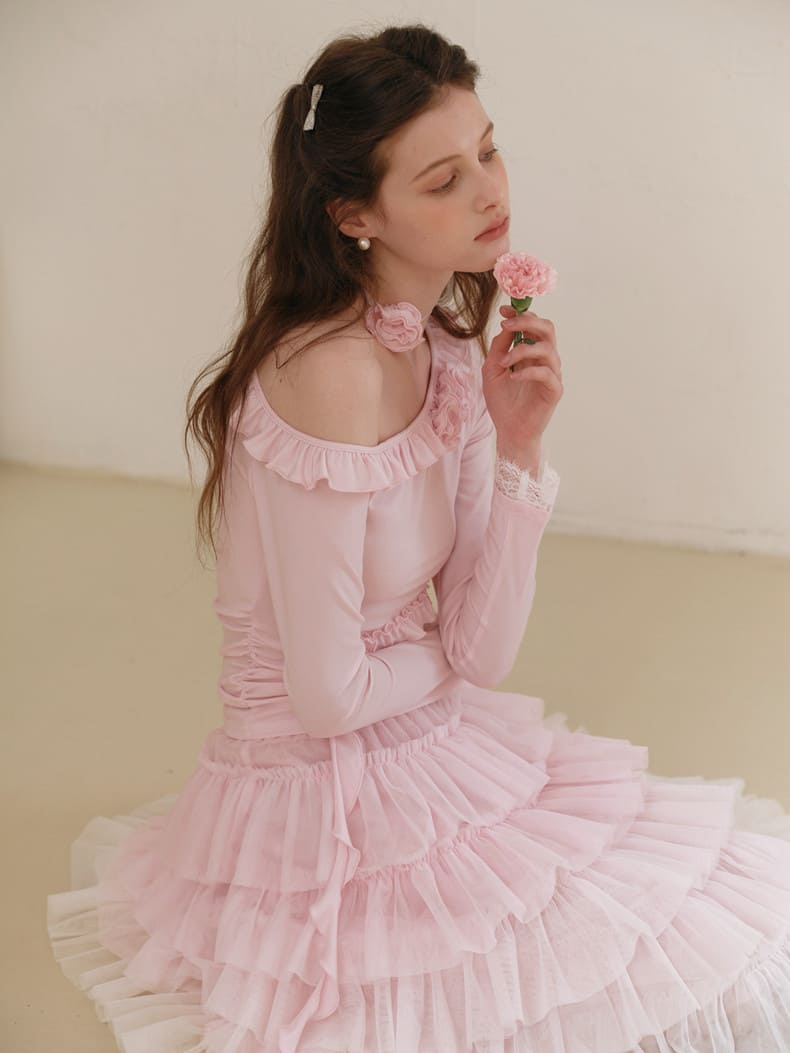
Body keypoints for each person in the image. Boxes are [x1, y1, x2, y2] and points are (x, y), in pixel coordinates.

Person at [46, 22, 790, 1053]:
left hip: (425, 736)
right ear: (353, 215)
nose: (490, 191)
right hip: (317, 793)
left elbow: (486, 653)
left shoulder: (443, 350)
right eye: (443, 179)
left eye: (488, 150)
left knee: (713, 923)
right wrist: (441, 659)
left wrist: (520, 444)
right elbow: (328, 697)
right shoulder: (329, 377)